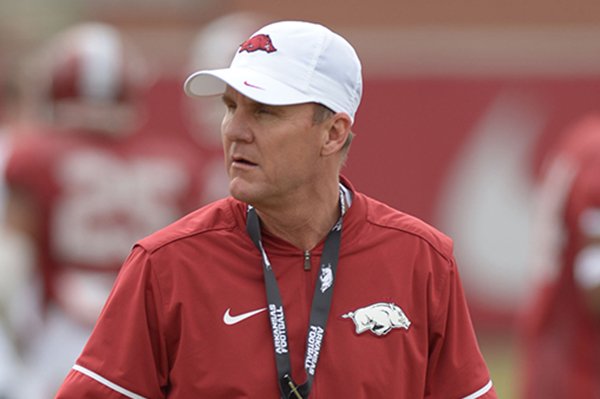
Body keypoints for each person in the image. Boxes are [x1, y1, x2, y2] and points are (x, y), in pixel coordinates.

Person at [55, 20, 497, 398]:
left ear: (333, 133)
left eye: (264, 112)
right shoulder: (165, 265)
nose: (235, 131)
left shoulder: (422, 261)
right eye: (231, 107)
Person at [3, 22, 205, 398]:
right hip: (144, 329)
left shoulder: (32, 155)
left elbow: (13, 260)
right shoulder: (176, 164)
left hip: (58, 334)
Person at [520, 115, 600, 398]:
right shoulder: (595, 157)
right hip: (582, 358)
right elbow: (594, 281)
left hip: (553, 337)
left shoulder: (581, 139)